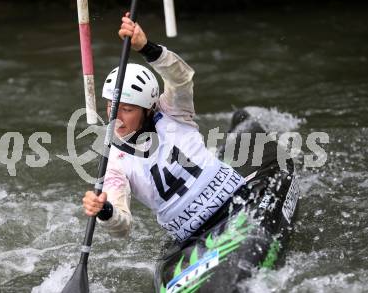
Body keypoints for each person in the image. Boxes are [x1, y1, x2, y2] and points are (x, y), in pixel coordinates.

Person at [82, 13, 266, 243]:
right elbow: (123, 226)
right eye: (112, 106)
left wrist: (147, 48)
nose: (115, 117)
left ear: (148, 109)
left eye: (127, 109)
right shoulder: (113, 164)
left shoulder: (172, 110)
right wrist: (105, 211)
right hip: (195, 237)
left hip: (237, 201)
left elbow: (181, 78)